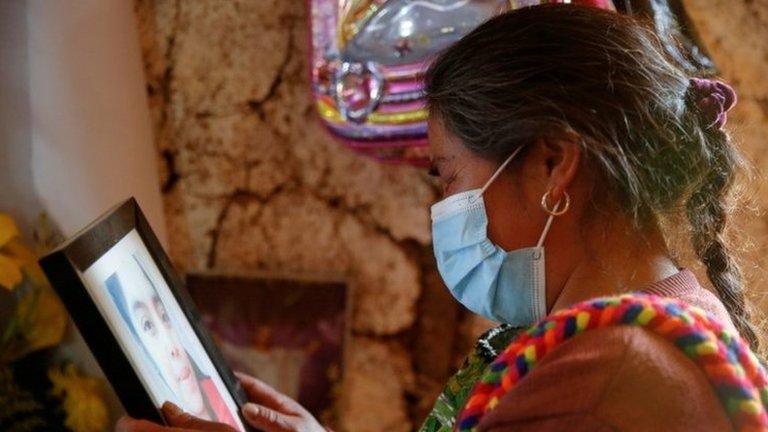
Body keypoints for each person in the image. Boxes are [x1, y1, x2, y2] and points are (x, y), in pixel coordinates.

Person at [117, 3, 767, 432]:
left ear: (551, 166)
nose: (444, 210)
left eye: (448, 176)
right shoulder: (671, 310)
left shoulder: (601, 373)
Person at [107, 255, 238, 428]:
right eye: (147, 325)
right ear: (141, 349)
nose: (173, 348)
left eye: (164, 315)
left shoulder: (223, 393)